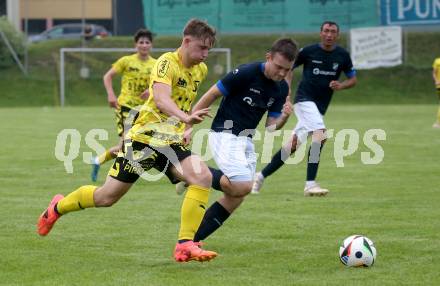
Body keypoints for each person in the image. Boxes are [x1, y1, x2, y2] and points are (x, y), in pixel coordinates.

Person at [37, 19, 218, 263]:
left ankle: (185, 244)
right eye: (201, 48)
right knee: (106, 198)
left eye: (209, 49)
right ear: (186, 42)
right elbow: (163, 99)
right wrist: (186, 117)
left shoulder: (200, 70)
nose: (205, 54)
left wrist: (187, 126)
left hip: (170, 142)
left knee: (202, 176)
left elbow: (182, 101)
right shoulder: (166, 63)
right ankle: (56, 208)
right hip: (143, 139)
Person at [177, 38, 298, 242]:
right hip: (223, 133)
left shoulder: (281, 89)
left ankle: (191, 242)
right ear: (269, 57)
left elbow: (270, 127)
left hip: (245, 140)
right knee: (242, 186)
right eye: (278, 67)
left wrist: (284, 117)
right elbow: (211, 94)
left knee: (237, 197)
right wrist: (187, 125)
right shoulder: (246, 73)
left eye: (287, 70)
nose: (281, 73)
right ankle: (194, 174)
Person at [251, 21, 357, 196]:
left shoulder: (343, 55)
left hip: (320, 106)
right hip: (303, 100)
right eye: (326, 31)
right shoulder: (309, 51)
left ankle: (260, 176)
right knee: (320, 134)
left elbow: (353, 79)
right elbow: (288, 67)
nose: (329, 34)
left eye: (333, 32)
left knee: (292, 146)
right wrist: (287, 89)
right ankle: (310, 184)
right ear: (320, 33)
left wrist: (342, 85)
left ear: (338, 35)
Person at [91, 29, 156, 182]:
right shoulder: (126, 61)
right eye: (141, 42)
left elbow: (160, 84)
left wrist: (151, 90)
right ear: (136, 45)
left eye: (147, 42)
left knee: (140, 144)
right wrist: (111, 94)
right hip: (126, 107)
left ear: (151, 45)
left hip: (145, 111)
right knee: (126, 144)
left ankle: (98, 161)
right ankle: (115, 175)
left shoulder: (156, 64)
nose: (144, 45)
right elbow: (107, 76)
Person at [432, 56, 440, 128]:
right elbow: (434, 73)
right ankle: (438, 123)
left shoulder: (437, 61)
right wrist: (437, 81)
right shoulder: (437, 61)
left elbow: (434, 73)